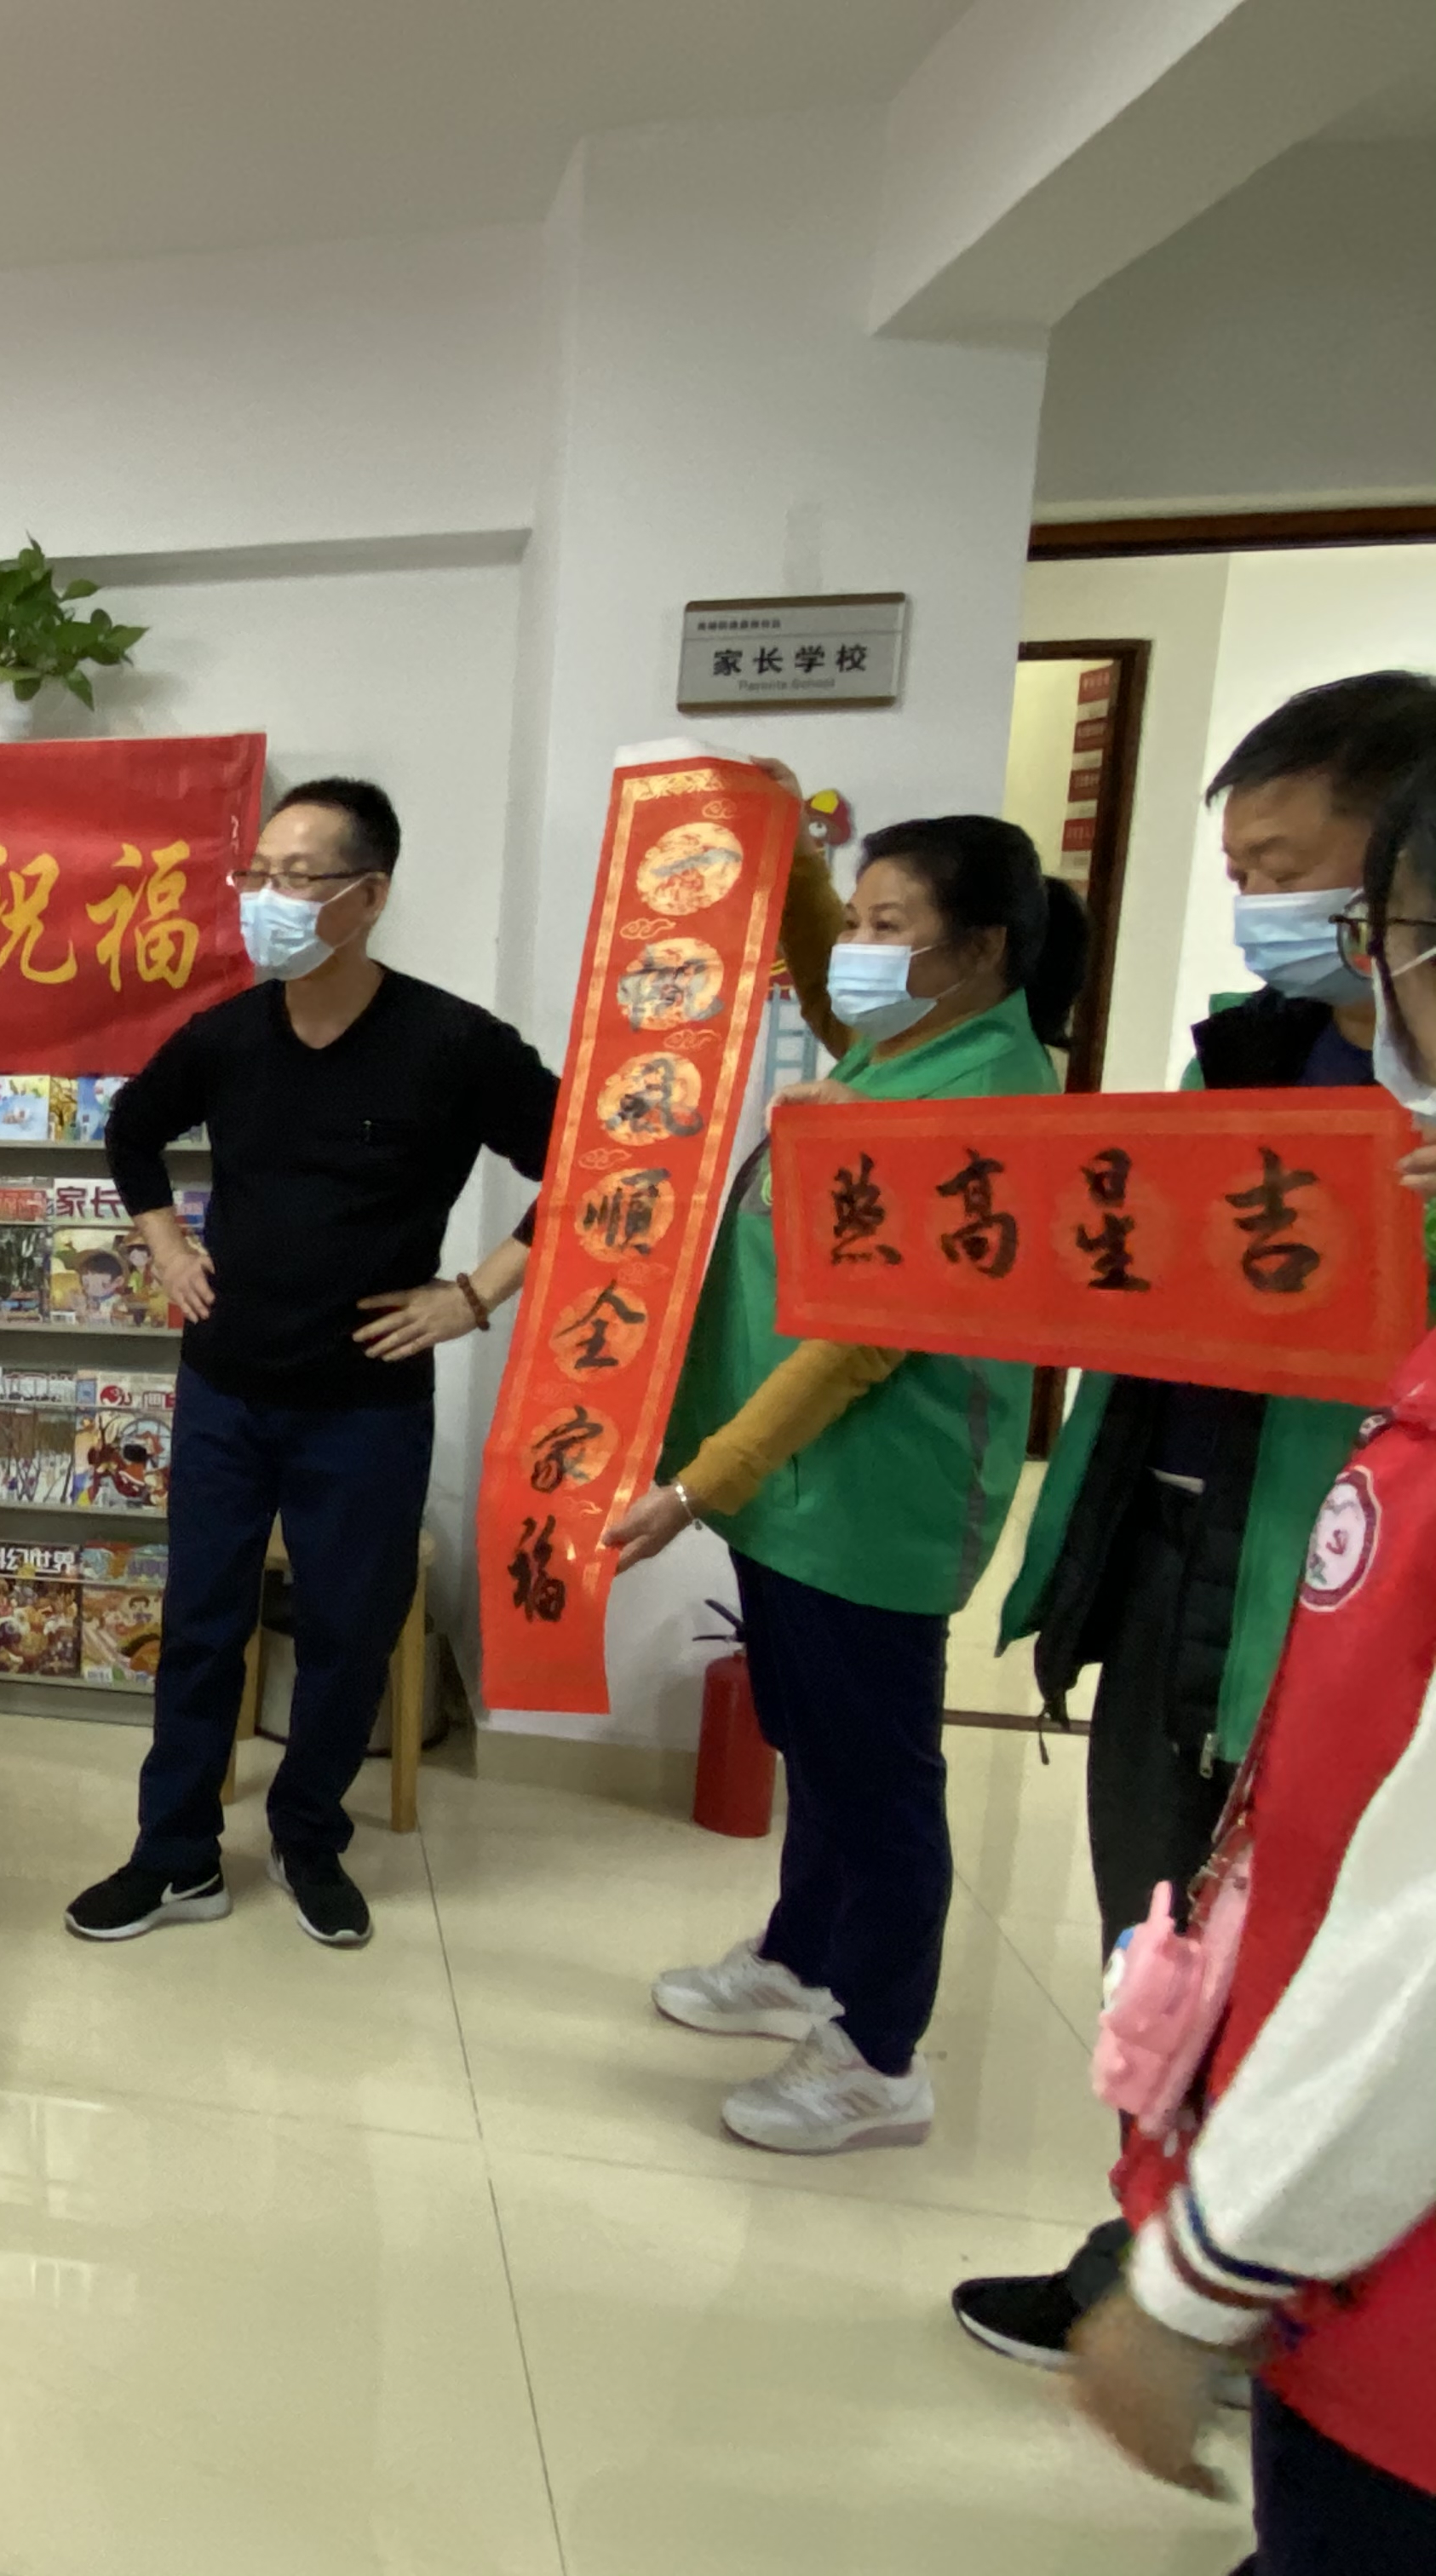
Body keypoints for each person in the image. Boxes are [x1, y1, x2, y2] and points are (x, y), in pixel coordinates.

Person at [949, 670, 1436, 2371]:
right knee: (1157, 1935)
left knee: (1316, 1957)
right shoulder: (1247, 1057)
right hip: (1170, 1551)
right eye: (1237, 875)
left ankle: (1266, 2298)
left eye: (1284, 870)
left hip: (1346, 1603)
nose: (1260, 909)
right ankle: (1153, 2245)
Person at [1068, 755, 1436, 2567]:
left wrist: (1196, 2285)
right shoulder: (1256, 1073)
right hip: (1329, 2277)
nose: (1335, 946)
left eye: (1372, 919)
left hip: (1385, 2307)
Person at [612, 815, 1082, 2153]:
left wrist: (699, 1484)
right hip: (798, 1490)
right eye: (859, 922)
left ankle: (880, 2052)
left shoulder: (981, 1103)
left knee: (877, 1778)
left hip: (874, 1500)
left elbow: (865, 1343)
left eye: (891, 926)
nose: (858, 952)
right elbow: (831, 987)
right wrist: (795, 859)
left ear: (977, 950)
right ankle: (800, 1956)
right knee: (815, 1744)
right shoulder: (909, 1044)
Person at [64, 779, 556, 1949]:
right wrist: (166, 1244)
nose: (267, 900)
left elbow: (595, 1164)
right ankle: (176, 1855)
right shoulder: (230, 1035)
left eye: (298, 878)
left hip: (365, 1403)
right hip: (227, 1388)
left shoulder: (451, 1043)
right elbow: (133, 1128)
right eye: (259, 875)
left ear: (369, 896)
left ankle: (308, 1836)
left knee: (347, 1633)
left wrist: (474, 1296)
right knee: (200, 1625)